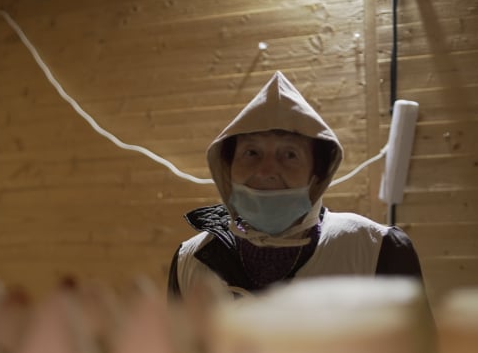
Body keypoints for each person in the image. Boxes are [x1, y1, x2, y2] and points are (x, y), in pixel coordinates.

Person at [168, 71, 423, 299]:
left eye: (289, 155)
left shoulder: (375, 250)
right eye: (251, 152)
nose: (266, 171)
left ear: (317, 177)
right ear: (227, 170)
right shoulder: (190, 261)